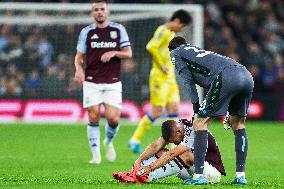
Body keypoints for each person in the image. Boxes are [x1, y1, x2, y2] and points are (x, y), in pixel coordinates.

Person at [168, 36, 254, 185]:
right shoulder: (198, 51)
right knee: (238, 123)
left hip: (227, 76)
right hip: (246, 75)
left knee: (200, 123)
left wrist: (196, 107)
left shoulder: (176, 53)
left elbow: (188, 82)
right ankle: (241, 176)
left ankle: (198, 176)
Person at [74, 0, 132, 164]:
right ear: (92, 13)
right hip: (92, 80)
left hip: (112, 81)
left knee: (113, 119)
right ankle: (96, 155)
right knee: (93, 115)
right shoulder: (86, 32)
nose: (99, 12)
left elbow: (128, 53)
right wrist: (78, 69)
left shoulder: (118, 29)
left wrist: (114, 52)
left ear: (107, 11)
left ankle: (108, 141)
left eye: (102, 9)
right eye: (96, 9)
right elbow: (78, 57)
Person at [128, 10, 192, 153]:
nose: (181, 29)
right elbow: (150, 46)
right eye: (182, 26)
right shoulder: (163, 30)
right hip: (158, 77)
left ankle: (173, 145)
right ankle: (134, 139)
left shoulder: (171, 34)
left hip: (169, 78)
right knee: (156, 112)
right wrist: (160, 64)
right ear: (176, 21)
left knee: (174, 109)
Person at [113, 119, 226, 184]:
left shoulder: (193, 129)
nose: (175, 143)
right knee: (160, 151)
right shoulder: (177, 127)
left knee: (183, 154)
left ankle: (145, 177)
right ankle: (134, 174)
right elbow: (156, 145)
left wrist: (150, 167)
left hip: (211, 173)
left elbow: (172, 154)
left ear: (178, 131)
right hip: (194, 171)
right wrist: (138, 161)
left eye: (174, 141)